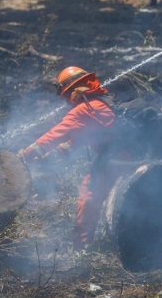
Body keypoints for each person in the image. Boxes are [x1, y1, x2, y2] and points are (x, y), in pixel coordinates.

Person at [20, 66, 127, 248]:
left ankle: (82, 245)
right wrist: (51, 157)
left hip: (118, 157)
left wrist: (22, 157)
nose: (68, 101)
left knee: (88, 191)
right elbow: (77, 139)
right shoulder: (103, 102)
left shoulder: (84, 109)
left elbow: (53, 136)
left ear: (73, 91)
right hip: (132, 151)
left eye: (67, 95)